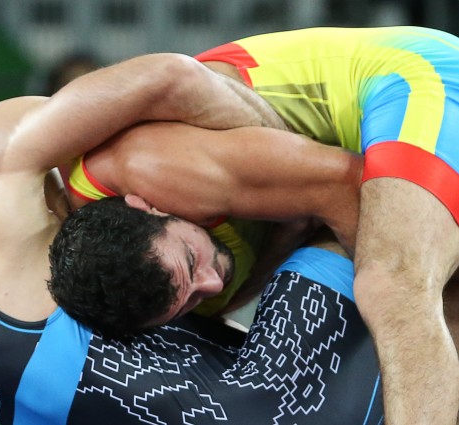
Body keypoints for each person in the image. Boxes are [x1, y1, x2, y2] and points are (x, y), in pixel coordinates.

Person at [0, 55, 380, 423]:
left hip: (266, 391)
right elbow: (167, 77)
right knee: (356, 194)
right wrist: (294, 150)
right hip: (301, 399)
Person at [52, 26, 459, 424]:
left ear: (148, 208)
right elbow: (305, 218)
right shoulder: (170, 288)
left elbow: (347, 187)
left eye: (192, 260)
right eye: (190, 301)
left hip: (412, 77)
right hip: (366, 147)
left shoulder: (163, 170)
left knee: (393, 286)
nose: (212, 284)